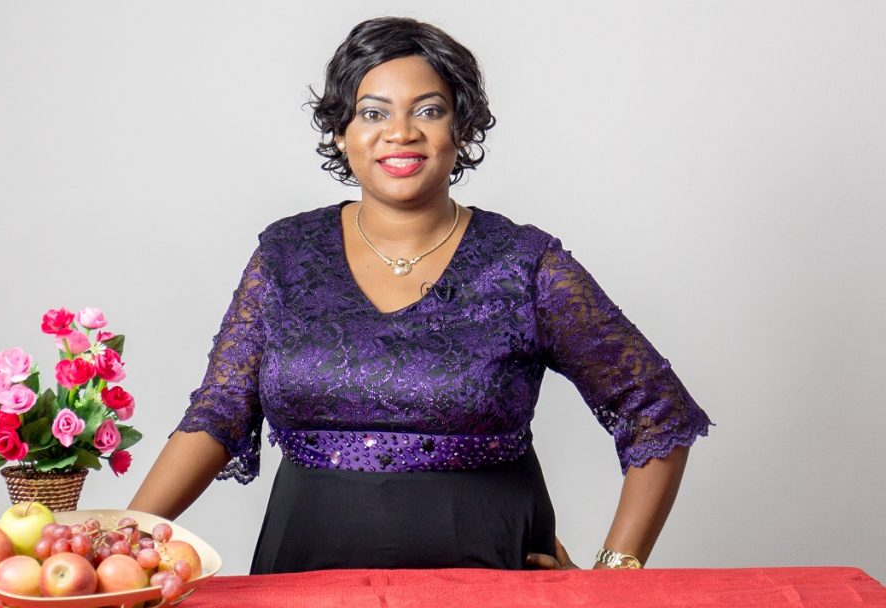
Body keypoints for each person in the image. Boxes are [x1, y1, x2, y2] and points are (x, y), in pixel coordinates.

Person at [128, 16, 713, 574]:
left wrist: (618, 572)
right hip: (304, 570)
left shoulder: (525, 262)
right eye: (372, 112)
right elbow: (217, 413)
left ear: (460, 128)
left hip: (493, 577)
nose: (400, 132)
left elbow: (657, 411)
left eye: (428, 111)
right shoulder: (285, 254)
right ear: (342, 133)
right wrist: (119, 541)